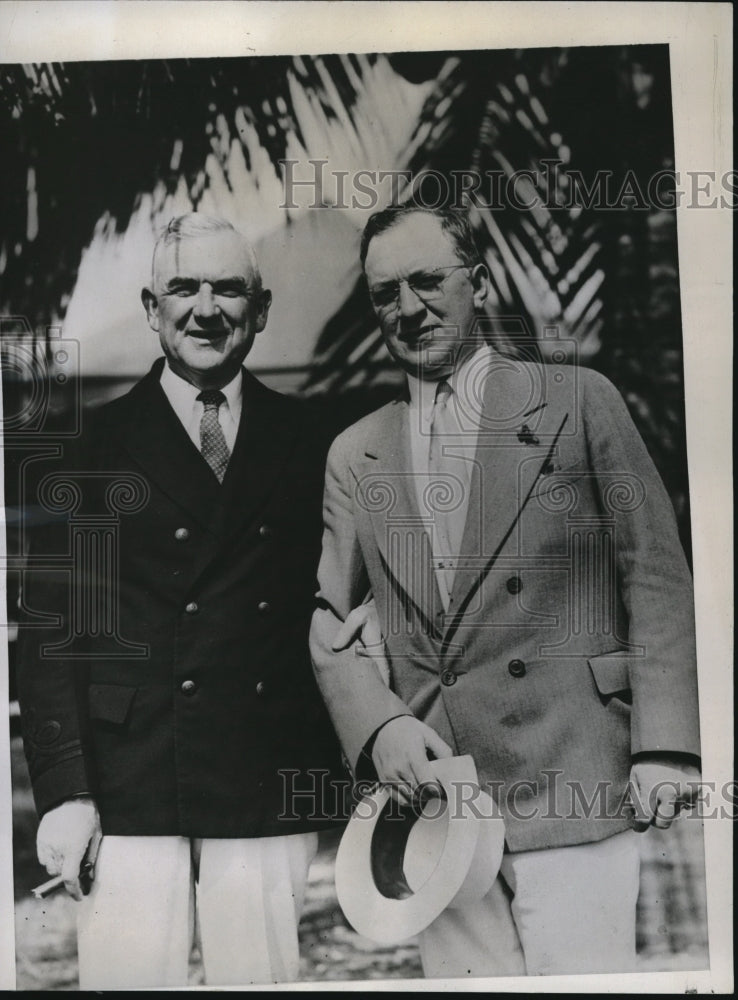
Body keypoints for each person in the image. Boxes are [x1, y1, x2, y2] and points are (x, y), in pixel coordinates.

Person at [309, 203, 701, 977]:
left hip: (573, 776)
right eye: (386, 294)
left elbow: (655, 572)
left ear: (480, 283)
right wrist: (379, 728)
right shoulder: (357, 453)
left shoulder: (578, 401)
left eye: (428, 281)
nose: (409, 308)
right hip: (442, 800)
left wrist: (663, 747)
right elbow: (330, 619)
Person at [16, 213, 343, 988]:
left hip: (263, 779)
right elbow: (52, 637)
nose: (206, 309)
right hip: (128, 782)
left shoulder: (313, 439)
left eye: (228, 289)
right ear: (150, 307)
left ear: (260, 310)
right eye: (183, 288)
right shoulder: (92, 448)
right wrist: (66, 790)